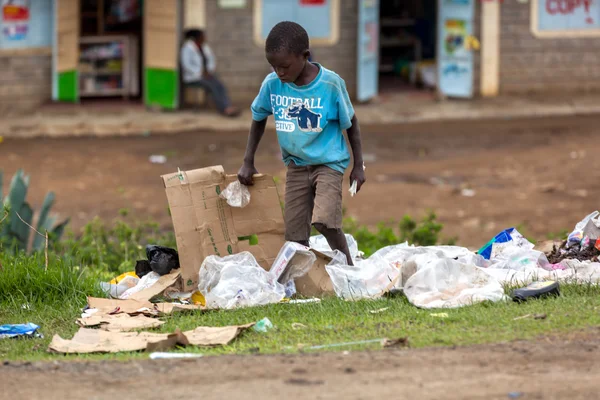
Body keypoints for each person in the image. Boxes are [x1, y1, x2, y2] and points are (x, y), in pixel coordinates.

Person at [237, 21, 366, 265]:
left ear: (304, 56)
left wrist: (358, 166)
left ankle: (349, 267)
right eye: (273, 66)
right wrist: (247, 161)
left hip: (329, 163)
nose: (279, 72)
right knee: (295, 236)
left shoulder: (330, 84)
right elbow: (258, 117)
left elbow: (352, 123)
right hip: (296, 165)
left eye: (284, 66)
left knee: (324, 222)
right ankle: (302, 281)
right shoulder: (272, 85)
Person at [180, 29, 240, 117]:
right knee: (212, 86)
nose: (204, 38)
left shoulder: (204, 47)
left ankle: (228, 106)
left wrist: (208, 71)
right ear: (196, 38)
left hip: (206, 75)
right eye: (202, 36)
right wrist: (200, 72)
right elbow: (186, 64)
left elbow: (211, 59)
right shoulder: (187, 48)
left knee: (220, 85)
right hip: (193, 77)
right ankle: (224, 109)